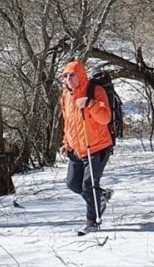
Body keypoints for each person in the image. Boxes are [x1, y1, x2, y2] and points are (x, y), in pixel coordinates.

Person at [59, 59, 114, 235]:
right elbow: (69, 124)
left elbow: (105, 118)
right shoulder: (66, 97)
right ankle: (101, 196)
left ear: (81, 75)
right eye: (65, 75)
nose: (68, 78)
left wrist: (90, 104)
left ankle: (92, 222)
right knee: (73, 184)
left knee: (88, 185)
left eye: (72, 75)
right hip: (77, 149)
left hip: (97, 147)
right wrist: (66, 144)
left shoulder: (95, 91)